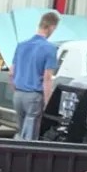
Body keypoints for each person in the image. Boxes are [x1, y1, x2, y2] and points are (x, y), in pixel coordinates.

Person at [10, 12, 61, 141]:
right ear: (52, 27)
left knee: (21, 132)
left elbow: (11, 73)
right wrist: (48, 102)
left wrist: (15, 90)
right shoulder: (49, 48)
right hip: (33, 97)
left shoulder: (21, 46)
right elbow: (47, 78)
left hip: (18, 95)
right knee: (30, 138)